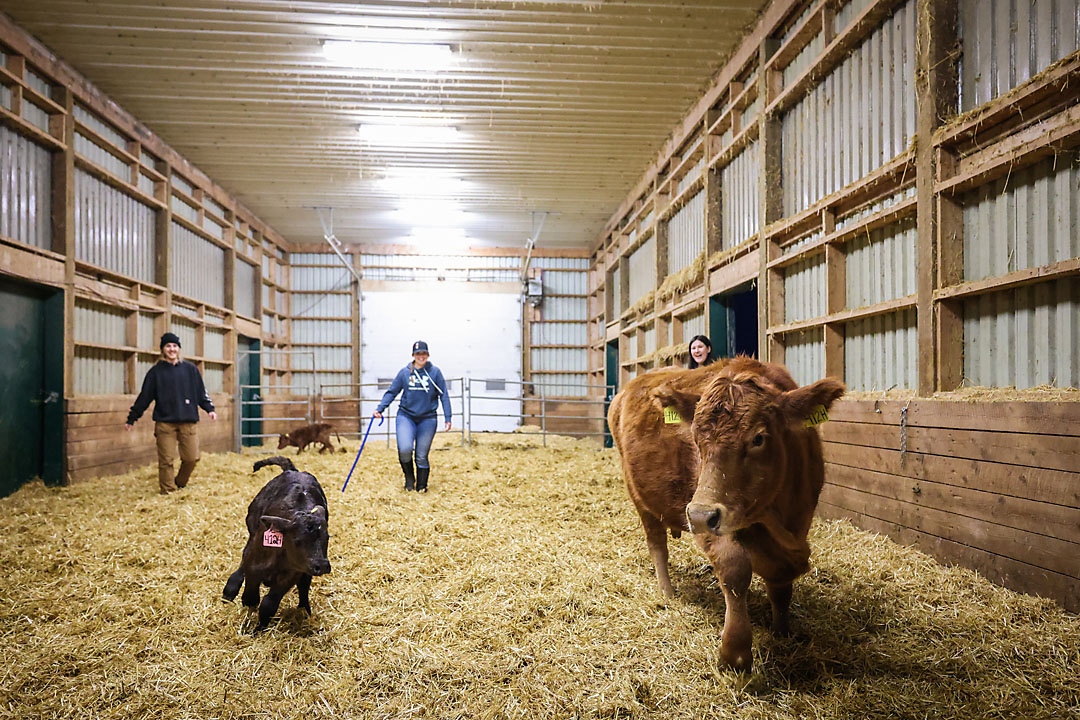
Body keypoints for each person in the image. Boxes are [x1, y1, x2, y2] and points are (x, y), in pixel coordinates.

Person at [125, 332, 217, 494]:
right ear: (163, 349)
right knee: (166, 460)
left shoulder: (191, 370)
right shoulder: (155, 373)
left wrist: (209, 409)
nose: (172, 349)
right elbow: (144, 397)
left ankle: (180, 482)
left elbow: (201, 393)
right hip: (165, 422)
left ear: (179, 349)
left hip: (188, 421)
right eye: (168, 346)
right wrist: (132, 418)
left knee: (192, 458)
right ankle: (168, 491)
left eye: (175, 346)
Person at [374, 340, 452, 492]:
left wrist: (448, 418)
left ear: (427, 355)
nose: (421, 356)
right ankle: (409, 479)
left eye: (423, 353)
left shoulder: (435, 373)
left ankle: (422, 487)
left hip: (428, 418)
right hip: (406, 416)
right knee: (404, 449)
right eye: (418, 354)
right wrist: (380, 409)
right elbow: (392, 391)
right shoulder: (404, 373)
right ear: (413, 355)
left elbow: (444, 395)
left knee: (421, 455)